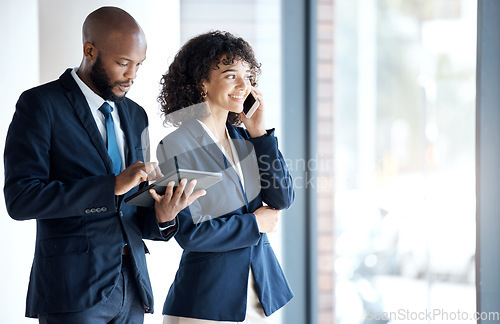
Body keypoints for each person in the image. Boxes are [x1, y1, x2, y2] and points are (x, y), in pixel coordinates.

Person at [3, 6, 204, 324]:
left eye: (139, 64)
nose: (132, 75)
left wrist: (164, 215)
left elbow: (132, 210)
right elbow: (21, 198)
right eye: (123, 63)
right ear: (89, 50)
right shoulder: (41, 104)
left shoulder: (136, 115)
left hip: (133, 287)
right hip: (73, 291)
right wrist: (110, 186)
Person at [156, 31, 295, 324]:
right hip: (207, 303)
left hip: (258, 296)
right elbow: (190, 233)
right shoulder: (177, 145)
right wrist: (254, 223)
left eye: (248, 76)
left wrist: (260, 134)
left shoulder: (247, 140)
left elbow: (281, 198)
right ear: (201, 83)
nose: (244, 85)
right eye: (231, 75)